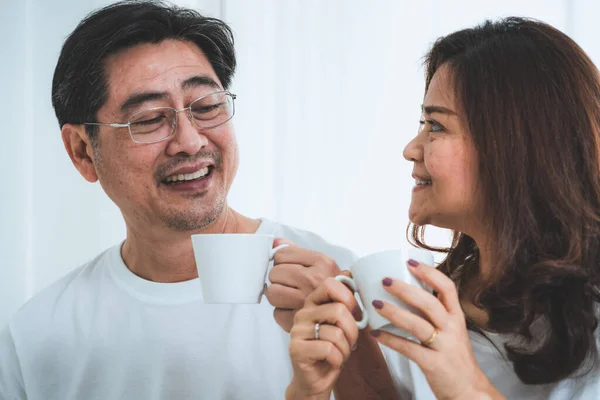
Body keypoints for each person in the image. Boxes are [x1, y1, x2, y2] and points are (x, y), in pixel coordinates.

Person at [0, 1, 358, 399]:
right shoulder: (37, 333)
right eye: (151, 118)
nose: (190, 141)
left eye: (206, 107)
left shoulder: (338, 285)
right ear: (83, 151)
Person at [286, 17, 600, 400]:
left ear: (513, 147)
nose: (410, 149)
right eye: (423, 122)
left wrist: (465, 384)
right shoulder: (431, 299)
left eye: (435, 125)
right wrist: (335, 367)